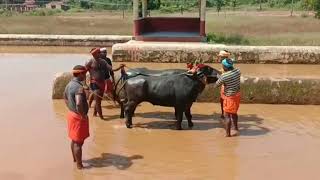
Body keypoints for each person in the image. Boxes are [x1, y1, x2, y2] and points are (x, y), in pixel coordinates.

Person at [64, 65, 89, 169]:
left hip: (71, 114)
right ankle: (80, 166)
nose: (85, 75)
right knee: (79, 142)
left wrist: (71, 107)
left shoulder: (69, 84)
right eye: (84, 74)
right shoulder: (78, 87)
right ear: (80, 74)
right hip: (79, 117)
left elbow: (64, 98)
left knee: (74, 140)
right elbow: (79, 103)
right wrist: (83, 116)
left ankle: (75, 160)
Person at [214, 59, 241, 137]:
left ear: (225, 66)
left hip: (229, 97)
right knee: (234, 113)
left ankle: (228, 134)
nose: (222, 67)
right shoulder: (238, 71)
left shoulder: (224, 76)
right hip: (237, 95)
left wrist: (219, 76)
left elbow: (216, 85)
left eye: (222, 66)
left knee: (227, 116)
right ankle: (236, 128)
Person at [85, 48, 112, 120]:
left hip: (102, 83)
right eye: (99, 53)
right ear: (95, 54)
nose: (101, 54)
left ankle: (94, 114)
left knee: (99, 100)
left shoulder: (103, 61)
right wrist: (85, 83)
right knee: (98, 102)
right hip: (94, 83)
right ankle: (102, 118)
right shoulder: (89, 62)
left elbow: (110, 68)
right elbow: (84, 72)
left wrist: (120, 68)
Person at [217, 50, 232, 119]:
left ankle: (225, 114)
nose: (219, 58)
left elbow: (224, 73)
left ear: (223, 57)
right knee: (223, 100)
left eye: (220, 57)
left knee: (224, 100)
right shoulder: (228, 62)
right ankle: (225, 113)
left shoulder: (225, 63)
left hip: (226, 84)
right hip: (227, 83)